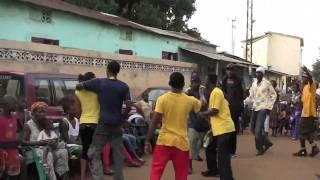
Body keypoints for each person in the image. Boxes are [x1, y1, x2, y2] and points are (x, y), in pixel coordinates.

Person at [76, 61, 131, 180]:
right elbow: (128, 106)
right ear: (118, 72)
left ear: (107, 70)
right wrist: (122, 117)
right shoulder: (124, 86)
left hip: (103, 124)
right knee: (118, 153)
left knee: (95, 152)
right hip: (116, 125)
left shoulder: (99, 82)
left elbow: (80, 86)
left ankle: (99, 177)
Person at [145, 72, 202, 180]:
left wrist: (147, 140)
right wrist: (200, 93)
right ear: (183, 84)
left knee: (156, 173)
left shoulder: (162, 99)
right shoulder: (189, 100)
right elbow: (201, 104)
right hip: (181, 143)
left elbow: (155, 120)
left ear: (169, 83)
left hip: (164, 141)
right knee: (181, 176)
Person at [199, 74, 235, 180]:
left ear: (209, 81)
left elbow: (214, 111)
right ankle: (213, 170)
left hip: (224, 129)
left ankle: (227, 178)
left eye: (205, 79)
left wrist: (203, 114)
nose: (204, 81)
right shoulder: (214, 92)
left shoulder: (216, 92)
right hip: (218, 129)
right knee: (210, 147)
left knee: (223, 157)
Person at [23, 102, 69, 179]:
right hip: (34, 150)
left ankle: (61, 175)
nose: (43, 114)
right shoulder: (28, 125)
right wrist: (38, 142)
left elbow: (53, 134)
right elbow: (24, 142)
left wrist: (53, 141)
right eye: (40, 112)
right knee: (49, 155)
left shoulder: (46, 122)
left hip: (48, 148)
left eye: (44, 112)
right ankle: (51, 177)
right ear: (34, 113)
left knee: (63, 152)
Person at [74, 72, 104, 179]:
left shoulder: (78, 91)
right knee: (96, 152)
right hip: (95, 124)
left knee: (85, 151)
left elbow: (78, 111)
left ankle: (82, 177)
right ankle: (95, 176)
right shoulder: (98, 92)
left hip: (83, 124)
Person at [244, 67, 277, 156]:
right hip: (255, 108)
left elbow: (273, 95)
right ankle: (266, 142)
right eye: (257, 72)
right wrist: (244, 102)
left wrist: (269, 107)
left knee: (258, 130)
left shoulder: (267, 83)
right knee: (252, 128)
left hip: (263, 108)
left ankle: (260, 148)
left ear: (263, 74)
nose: (258, 74)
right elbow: (251, 96)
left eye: (260, 73)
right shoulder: (254, 83)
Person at [185, 73, 209, 174]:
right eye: (193, 82)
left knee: (206, 143)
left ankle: (209, 165)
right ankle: (189, 167)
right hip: (192, 123)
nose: (194, 83)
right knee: (190, 144)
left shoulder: (203, 91)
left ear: (199, 82)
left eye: (196, 81)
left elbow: (206, 104)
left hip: (203, 122)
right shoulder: (188, 92)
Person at [293, 66, 319, 157]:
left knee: (301, 131)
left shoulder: (311, 86)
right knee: (306, 132)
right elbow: (303, 102)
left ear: (307, 79)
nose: (302, 79)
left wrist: (307, 72)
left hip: (309, 114)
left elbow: (311, 79)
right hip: (305, 113)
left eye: (304, 78)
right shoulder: (304, 89)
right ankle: (313, 147)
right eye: (302, 78)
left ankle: (304, 150)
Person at [221, 64, 244, 155]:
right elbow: (223, 91)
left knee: (232, 129)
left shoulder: (239, 80)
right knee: (225, 129)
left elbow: (241, 95)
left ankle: (232, 150)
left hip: (235, 108)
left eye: (231, 70)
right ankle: (225, 148)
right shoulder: (224, 80)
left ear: (235, 71)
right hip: (226, 107)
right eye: (228, 70)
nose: (229, 71)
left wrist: (239, 107)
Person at [0, 96, 20, 180]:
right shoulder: (0, 119)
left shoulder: (15, 117)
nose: (16, 105)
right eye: (14, 103)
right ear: (5, 105)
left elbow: (17, 131)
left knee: (13, 174)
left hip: (13, 151)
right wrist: (14, 143)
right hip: (2, 151)